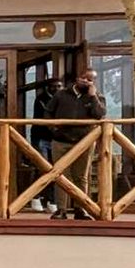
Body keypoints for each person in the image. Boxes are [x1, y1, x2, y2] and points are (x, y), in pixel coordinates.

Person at [45, 67, 107, 219]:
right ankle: (61, 209)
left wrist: (93, 97)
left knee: (81, 176)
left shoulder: (97, 96)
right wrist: (53, 128)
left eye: (90, 80)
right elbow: (48, 111)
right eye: (84, 78)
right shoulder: (61, 94)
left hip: (84, 142)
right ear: (77, 78)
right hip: (61, 140)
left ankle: (81, 208)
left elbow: (99, 114)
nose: (86, 81)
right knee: (60, 175)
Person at [29, 78, 59, 212]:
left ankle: (52, 200)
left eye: (59, 86)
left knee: (54, 169)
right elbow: (46, 116)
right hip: (41, 137)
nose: (57, 88)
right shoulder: (41, 99)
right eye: (54, 86)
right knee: (42, 167)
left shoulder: (61, 99)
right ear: (48, 87)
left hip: (55, 139)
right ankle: (35, 197)